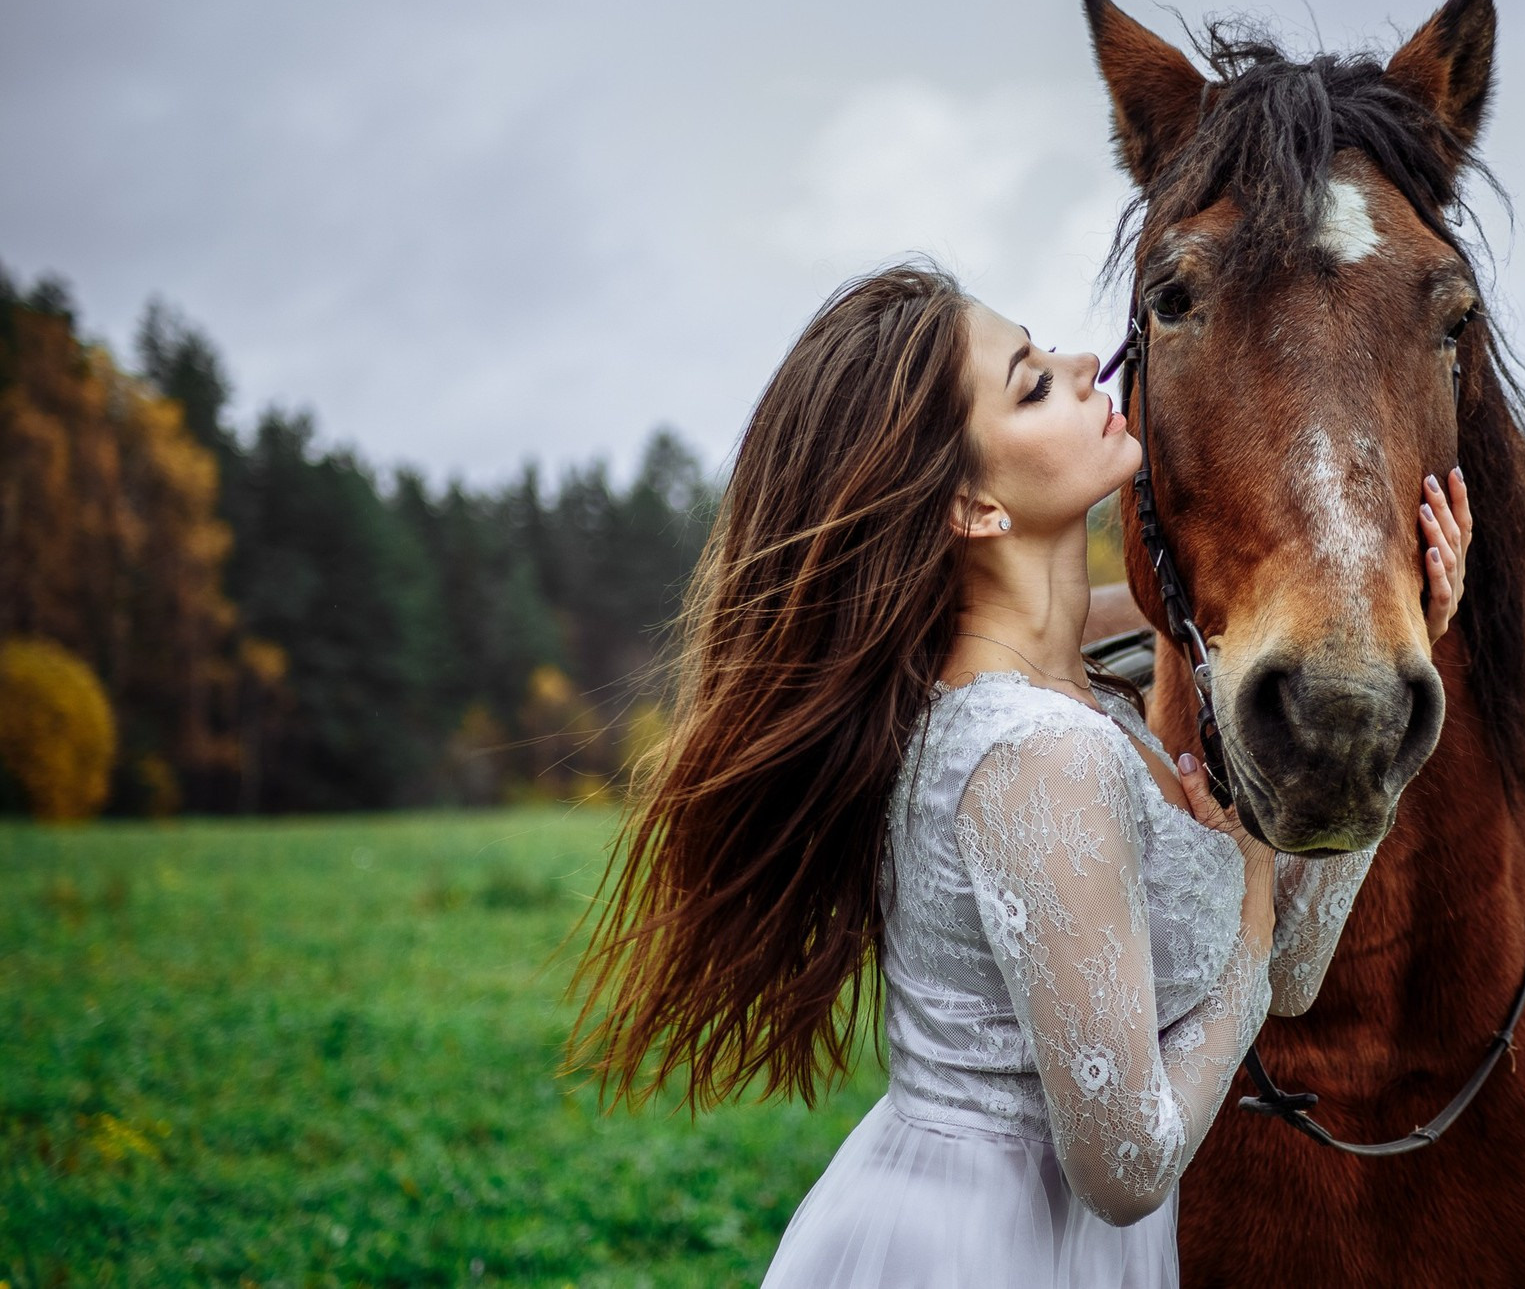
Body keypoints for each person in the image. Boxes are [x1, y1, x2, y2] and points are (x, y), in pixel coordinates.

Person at [564, 262, 1471, 1287]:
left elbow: (1293, 973)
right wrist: (1251, 918)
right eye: (1033, 382)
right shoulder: (1039, 756)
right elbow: (1124, 1167)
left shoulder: (1085, 710)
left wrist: (1401, 649)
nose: (1089, 365)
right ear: (975, 506)